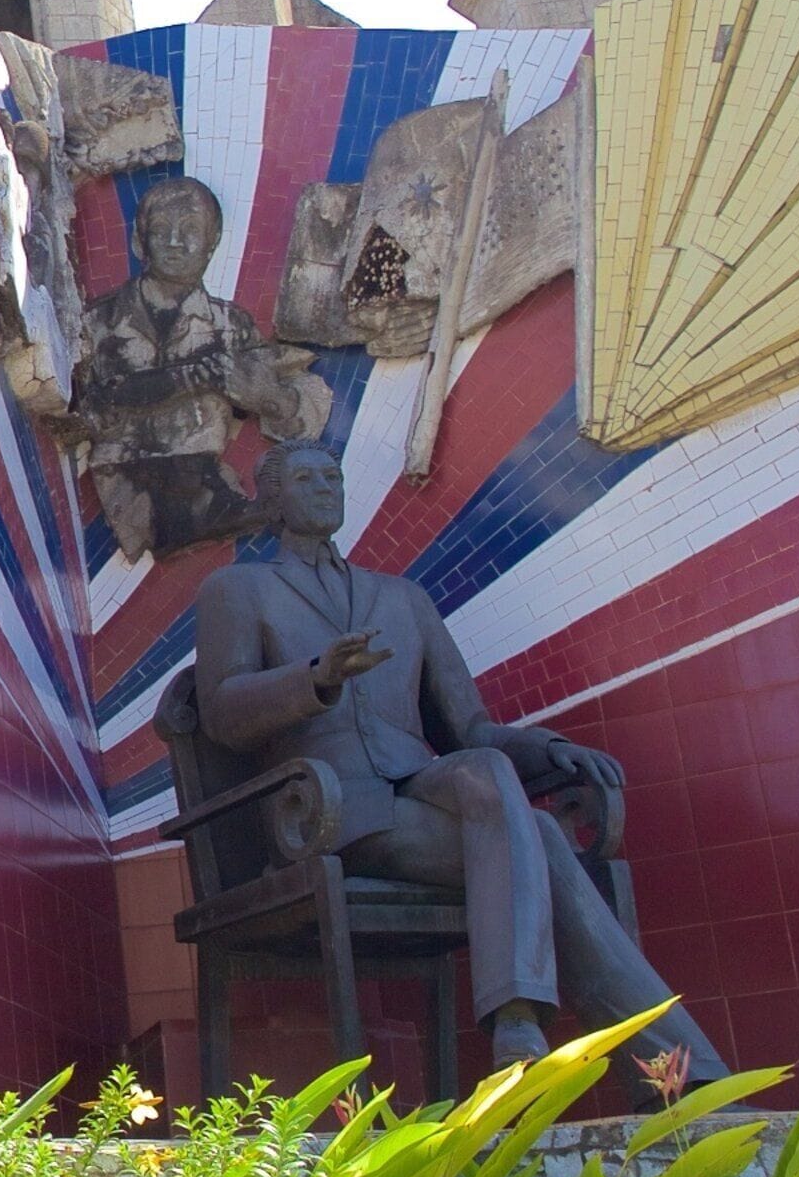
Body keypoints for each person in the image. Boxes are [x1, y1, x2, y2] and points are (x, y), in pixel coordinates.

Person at [190, 440, 726, 1076]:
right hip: (327, 811)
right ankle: (672, 1073)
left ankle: (524, 1026)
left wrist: (552, 749)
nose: (326, 487)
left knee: (491, 772)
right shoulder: (239, 589)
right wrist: (315, 678)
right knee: (543, 838)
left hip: (418, 789)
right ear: (273, 500)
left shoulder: (402, 598)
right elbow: (221, 714)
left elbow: (469, 728)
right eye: (307, 479)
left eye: (334, 476)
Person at [72, 177, 329, 557]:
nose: (175, 241)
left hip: (205, 487)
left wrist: (271, 398)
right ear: (139, 241)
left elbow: (300, 401)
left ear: (213, 242)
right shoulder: (95, 324)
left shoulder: (231, 326)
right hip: (129, 490)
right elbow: (80, 411)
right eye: (162, 229)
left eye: (191, 229)